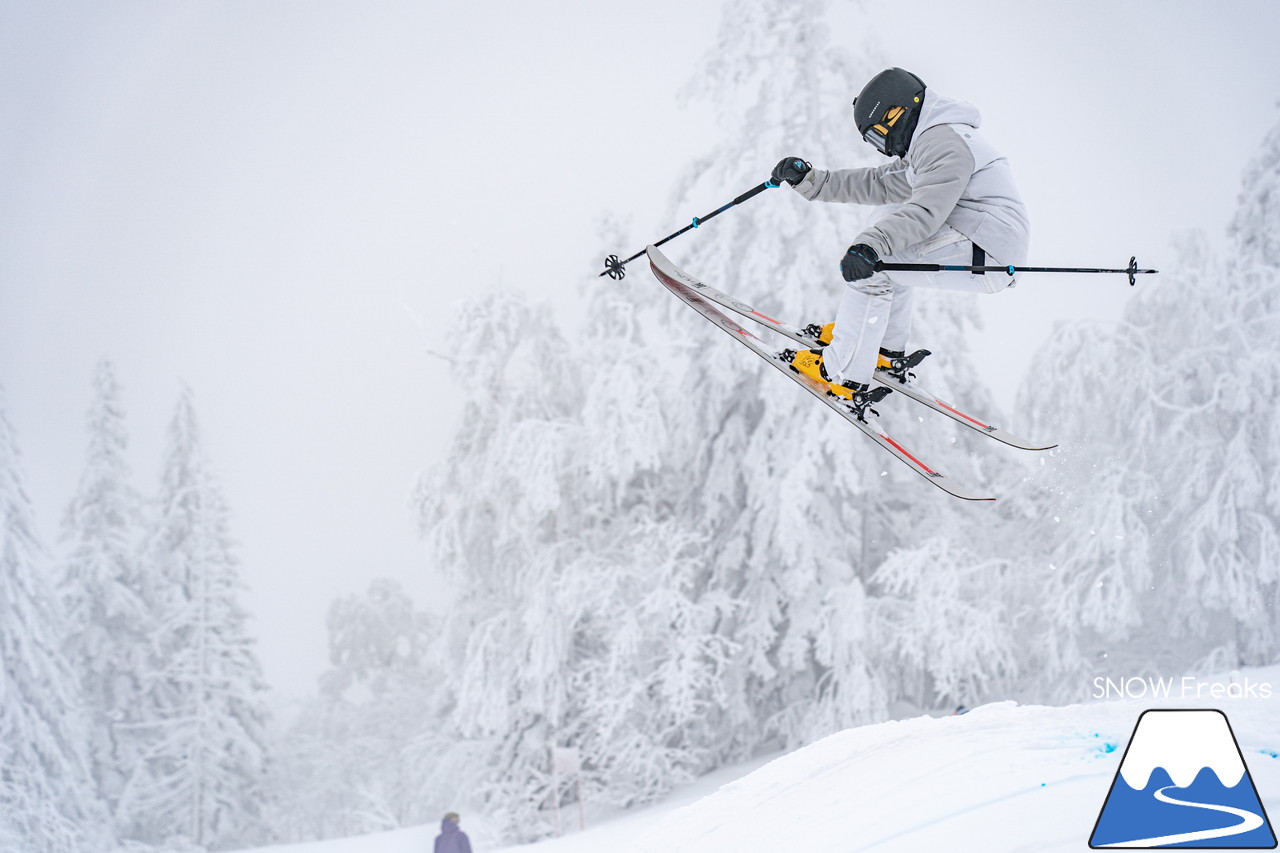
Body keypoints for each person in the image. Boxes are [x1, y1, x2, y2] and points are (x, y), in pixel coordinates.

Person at [771, 67, 1030, 417]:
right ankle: (883, 350)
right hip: (982, 242)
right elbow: (880, 183)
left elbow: (926, 211)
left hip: (984, 247)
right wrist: (812, 181)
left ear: (896, 114)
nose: (885, 149)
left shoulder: (943, 144)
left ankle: (842, 372)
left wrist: (869, 246)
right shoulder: (932, 140)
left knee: (874, 264)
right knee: (887, 237)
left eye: (879, 138)